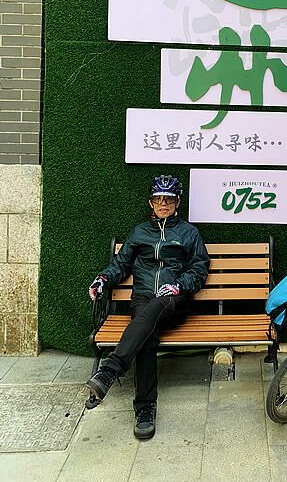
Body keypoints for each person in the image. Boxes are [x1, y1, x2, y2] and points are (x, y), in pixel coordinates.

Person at [86, 174, 210, 439]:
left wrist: (179, 285)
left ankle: (109, 371)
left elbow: (200, 268)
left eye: (169, 199)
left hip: (174, 300)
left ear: (178, 202)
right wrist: (103, 279)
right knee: (146, 334)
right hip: (143, 298)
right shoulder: (140, 232)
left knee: (151, 314)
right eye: (158, 199)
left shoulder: (188, 233)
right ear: (151, 203)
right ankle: (144, 409)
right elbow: (121, 264)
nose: (163, 204)